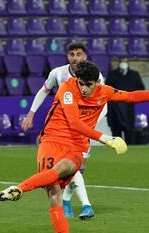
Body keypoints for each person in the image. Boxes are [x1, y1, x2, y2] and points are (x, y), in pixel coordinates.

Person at [0, 61, 149, 233]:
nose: (84, 88)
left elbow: (130, 96)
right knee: (52, 191)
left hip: (76, 145)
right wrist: (106, 139)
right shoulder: (67, 89)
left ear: (97, 82)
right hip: (51, 140)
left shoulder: (104, 91)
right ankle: (20, 191)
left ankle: (20, 188)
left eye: (88, 84)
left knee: (62, 170)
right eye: (81, 83)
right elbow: (74, 122)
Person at [22, 42, 104, 219]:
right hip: (63, 131)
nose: (75, 58)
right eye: (72, 54)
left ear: (85, 56)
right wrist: (31, 113)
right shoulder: (58, 73)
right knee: (70, 168)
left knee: (77, 169)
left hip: (82, 129)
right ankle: (85, 205)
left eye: (79, 54)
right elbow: (43, 91)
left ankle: (66, 201)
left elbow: (103, 102)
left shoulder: (95, 76)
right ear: (67, 56)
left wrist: (91, 124)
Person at [106, 58, 145, 144]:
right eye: (122, 61)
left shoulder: (134, 74)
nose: (123, 63)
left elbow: (141, 89)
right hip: (115, 108)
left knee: (130, 131)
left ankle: (131, 151)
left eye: (125, 61)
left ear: (128, 63)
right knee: (116, 132)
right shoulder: (112, 74)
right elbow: (107, 89)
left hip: (129, 107)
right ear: (119, 63)